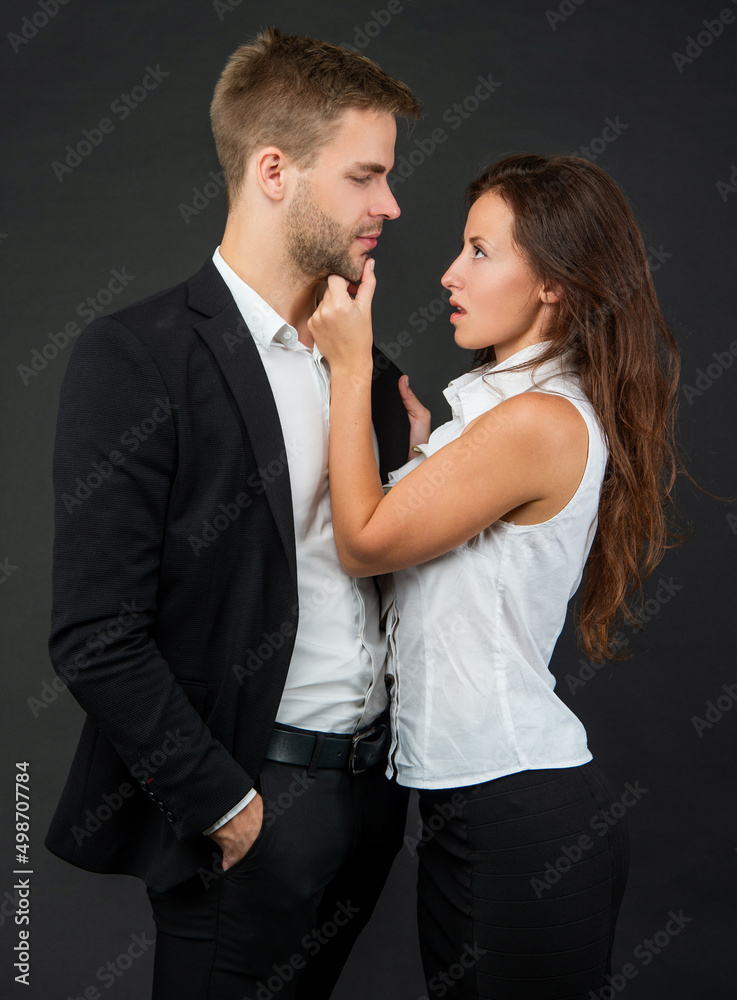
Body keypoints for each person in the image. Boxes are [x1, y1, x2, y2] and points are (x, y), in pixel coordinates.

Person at [45, 27, 423, 999]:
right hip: (250, 809)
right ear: (272, 170)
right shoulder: (138, 356)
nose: (390, 204)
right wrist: (229, 807)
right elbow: (95, 633)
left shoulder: (372, 374)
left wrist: (422, 457)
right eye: (365, 176)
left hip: (371, 806)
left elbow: (380, 566)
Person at [308, 152, 685, 999]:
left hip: (516, 813)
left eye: (480, 251)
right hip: (475, 807)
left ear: (552, 281)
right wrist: (416, 467)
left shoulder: (538, 420)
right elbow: (427, 574)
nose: (449, 272)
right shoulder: (499, 415)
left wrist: (346, 366)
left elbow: (364, 544)